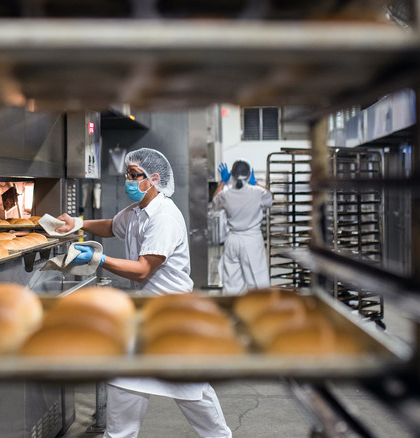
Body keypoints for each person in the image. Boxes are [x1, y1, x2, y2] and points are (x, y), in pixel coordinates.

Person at [56, 147, 231, 438]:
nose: (127, 180)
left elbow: (142, 269)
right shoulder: (138, 212)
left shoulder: (164, 217)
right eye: (127, 174)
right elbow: (112, 226)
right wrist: (78, 224)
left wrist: (99, 260)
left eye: (134, 175)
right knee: (124, 383)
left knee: (194, 396)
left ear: (153, 178)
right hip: (143, 318)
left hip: (173, 319)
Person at [212, 160, 273, 295]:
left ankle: (232, 310)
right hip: (252, 241)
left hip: (232, 240)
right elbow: (270, 198)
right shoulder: (257, 192)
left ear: (232, 175)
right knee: (257, 282)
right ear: (249, 174)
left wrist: (223, 181)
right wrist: (255, 182)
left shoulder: (225, 194)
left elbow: (214, 202)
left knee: (232, 284)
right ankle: (258, 312)